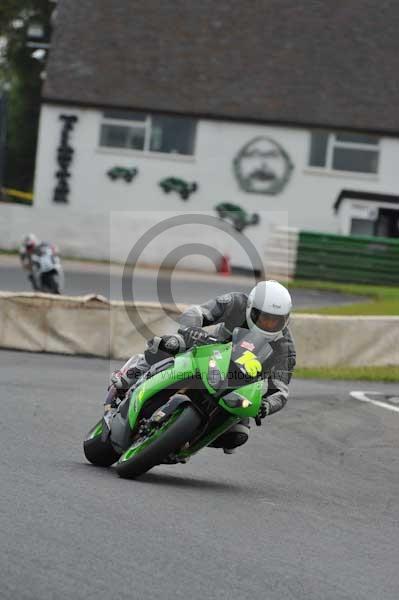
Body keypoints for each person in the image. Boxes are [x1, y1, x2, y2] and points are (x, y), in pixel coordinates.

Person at [107, 280, 296, 453]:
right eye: (264, 318)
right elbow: (196, 312)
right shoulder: (235, 302)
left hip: (236, 384)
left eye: (275, 320)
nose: (269, 324)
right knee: (170, 344)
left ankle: (186, 443)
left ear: (285, 319)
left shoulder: (285, 347)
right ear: (251, 308)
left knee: (238, 434)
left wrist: (266, 405)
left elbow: (280, 390)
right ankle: (130, 375)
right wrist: (193, 330)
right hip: (208, 352)